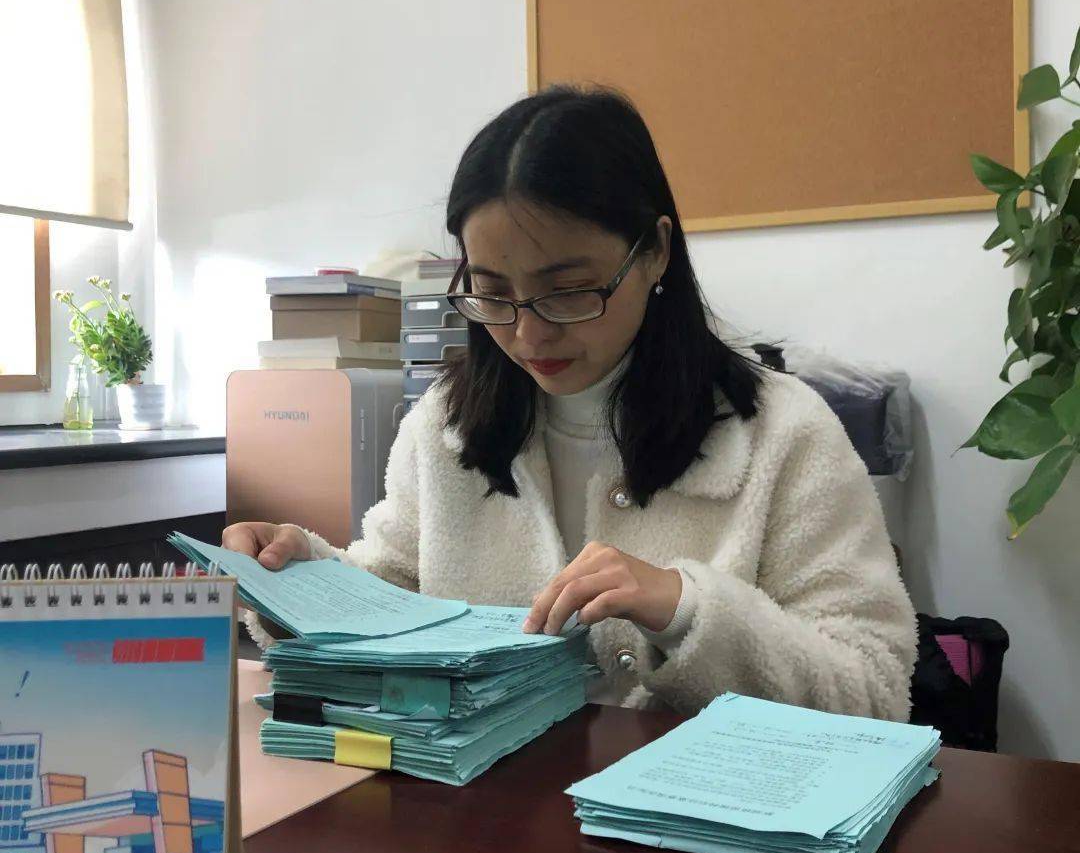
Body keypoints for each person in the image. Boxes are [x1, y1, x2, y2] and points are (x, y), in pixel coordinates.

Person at [227, 85, 916, 719]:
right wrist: (298, 581)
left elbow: (875, 690)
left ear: (655, 252)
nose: (528, 334)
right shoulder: (443, 427)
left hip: (700, 810)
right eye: (492, 291)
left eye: (568, 291)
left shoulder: (783, 433)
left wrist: (686, 610)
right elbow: (393, 595)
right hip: (487, 802)